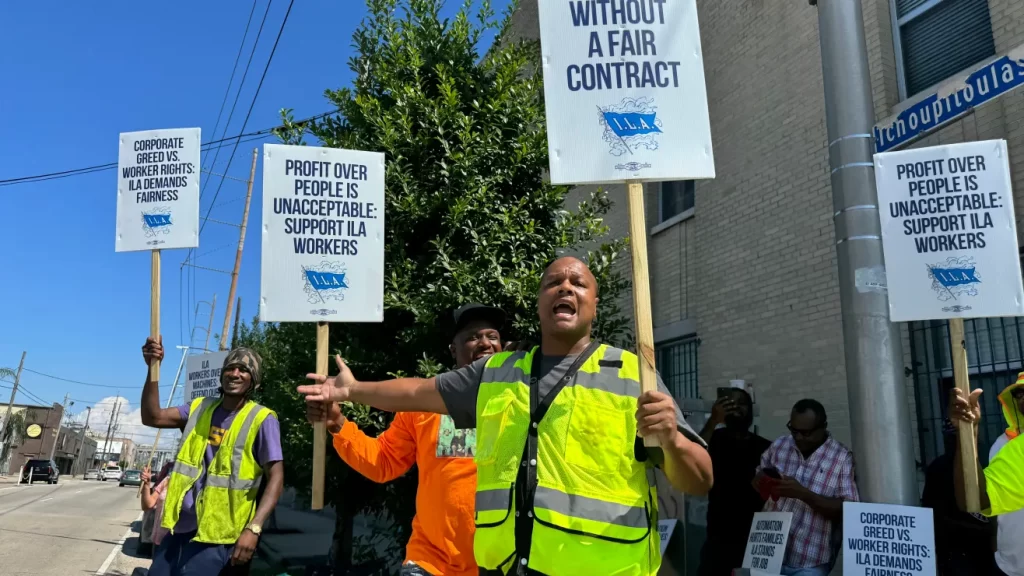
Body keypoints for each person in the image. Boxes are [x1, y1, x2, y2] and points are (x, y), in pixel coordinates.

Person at [300, 256, 713, 576]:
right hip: (456, 564)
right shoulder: (480, 384)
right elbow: (408, 402)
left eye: (577, 283)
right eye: (553, 282)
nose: (564, 287)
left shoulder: (632, 378)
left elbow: (700, 479)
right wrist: (345, 403)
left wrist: (673, 439)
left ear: (595, 303)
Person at [306, 303, 507, 576]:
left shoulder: (524, 401)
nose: (485, 343)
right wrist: (337, 424)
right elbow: (383, 462)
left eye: (492, 336)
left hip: (501, 564)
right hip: (430, 562)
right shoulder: (424, 402)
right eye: (473, 337)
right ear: (453, 350)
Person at [141, 338, 285, 576]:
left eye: (244, 370)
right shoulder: (199, 407)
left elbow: (276, 478)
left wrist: (254, 528)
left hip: (220, 538)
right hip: (179, 529)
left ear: (254, 381)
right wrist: (152, 367)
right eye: (230, 368)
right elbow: (152, 417)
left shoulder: (262, 419)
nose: (235, 373)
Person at [753, 399, 859, 576]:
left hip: (810, 561)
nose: (799, 437)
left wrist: (803, 494)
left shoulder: (841, 457)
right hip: (768, 551)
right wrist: (761, 480)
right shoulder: (780, 445)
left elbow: (848, 510)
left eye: (806, 432)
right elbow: (759, 474)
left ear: (823, 426)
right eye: (794, 430)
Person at [698, 388, 771, 576]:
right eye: (731, 403)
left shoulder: (766, 447)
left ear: (751, 410)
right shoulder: (714, 439)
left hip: (755, 539)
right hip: (718, 538)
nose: (737, 408)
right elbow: (695, 457)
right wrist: (713, 420)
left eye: (742, 403)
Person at [920, 419, 993, 575]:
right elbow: (932, 513)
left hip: (969, 550)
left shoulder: (990, 460)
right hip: (959, 550)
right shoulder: (939, 467)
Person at [950, 386, 1024, 520]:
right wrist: (967, 432)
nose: (1022, 398)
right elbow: (974, 499)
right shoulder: (1010, 446)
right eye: (1019, 394)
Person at [140, 461, 175, 549]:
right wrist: (147, 484)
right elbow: (147, 505)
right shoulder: (168, 480)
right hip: (159, 541)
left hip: (180, 542)